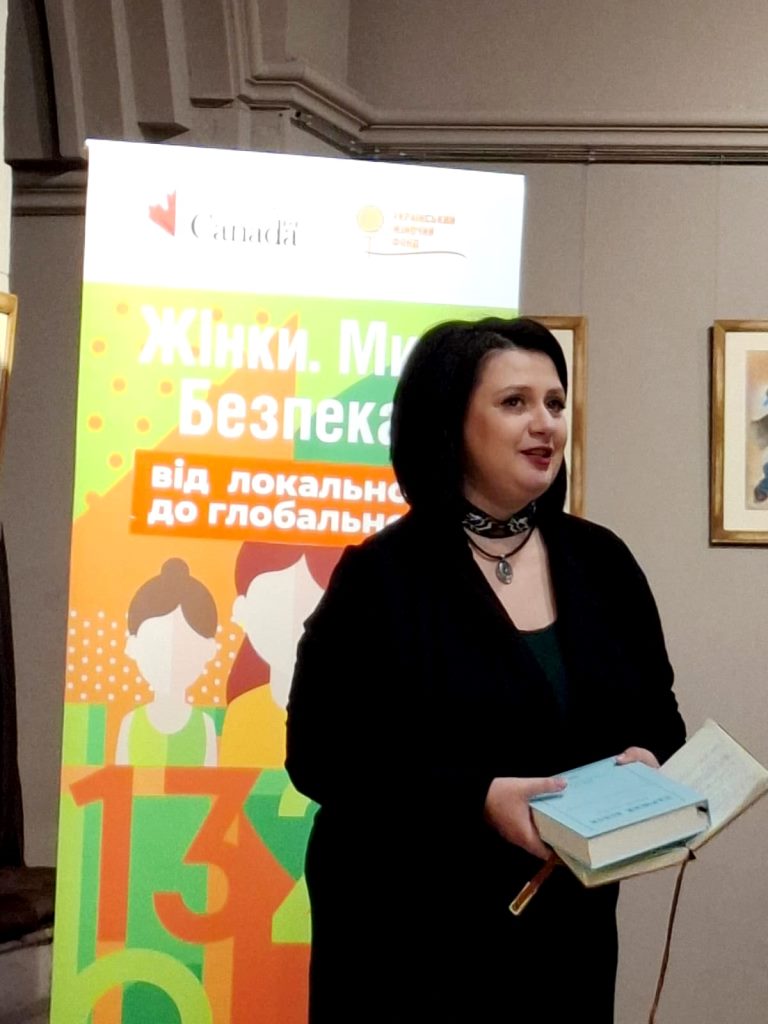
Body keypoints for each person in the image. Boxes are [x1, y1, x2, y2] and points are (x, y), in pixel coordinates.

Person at [285, 317, 686, 1022]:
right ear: (451, 423)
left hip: (565, 933)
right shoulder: (381, 577)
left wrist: (647, 761)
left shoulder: (603, 562)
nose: (545, 423)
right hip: (407, 938)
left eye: (555, 402)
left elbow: (659, 716)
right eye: (514, 402)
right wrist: (477, 797)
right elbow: (320, 756)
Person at [116, 558, 218, 766]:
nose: (170, 655)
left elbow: (210, 782)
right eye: (156, 644)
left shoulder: (204, 726)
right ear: (133, 646)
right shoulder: (131, 724)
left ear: (208, 650)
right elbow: (120, 779)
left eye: (186, 646)